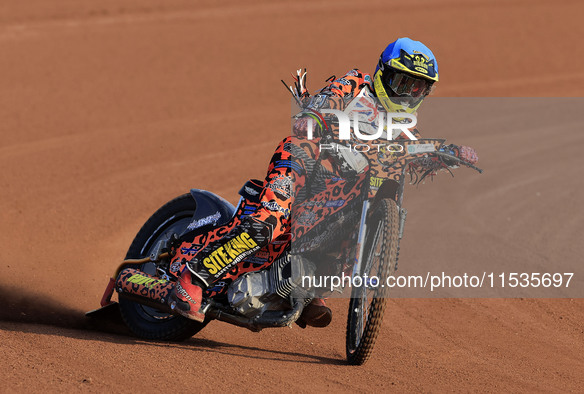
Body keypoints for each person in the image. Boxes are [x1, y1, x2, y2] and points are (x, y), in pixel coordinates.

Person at [168, 37, 478, 326]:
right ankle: (193, 279)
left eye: (418, 88)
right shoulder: (359, 83)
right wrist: (315, 116)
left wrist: (449, 153)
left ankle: (308, 286)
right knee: (267, 223)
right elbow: (330, 96)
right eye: (403, 83)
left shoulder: (406, 128)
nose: (409, 94)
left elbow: (417, 154)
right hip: (304, 158)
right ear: (383, 74)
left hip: (336, 191)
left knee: (356, 219)